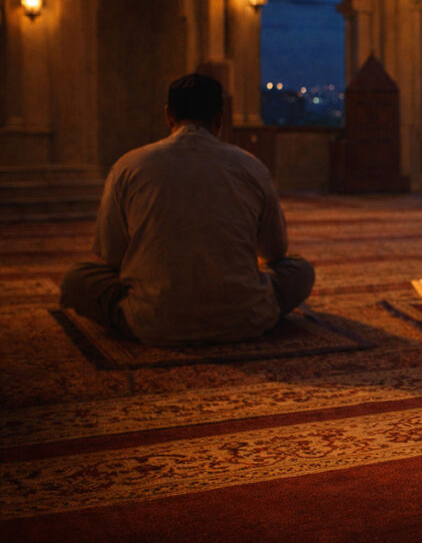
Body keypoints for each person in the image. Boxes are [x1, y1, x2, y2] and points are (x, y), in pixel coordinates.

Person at [60, 73, 315, 346]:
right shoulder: (252, 166)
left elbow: (111, 255)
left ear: (168, 116)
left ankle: (151, 310)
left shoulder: (129, 165)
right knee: (300, 270)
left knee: (77, 278)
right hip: (246, 317)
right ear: (219, 118)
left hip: (152, 321)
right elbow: (276, 252)